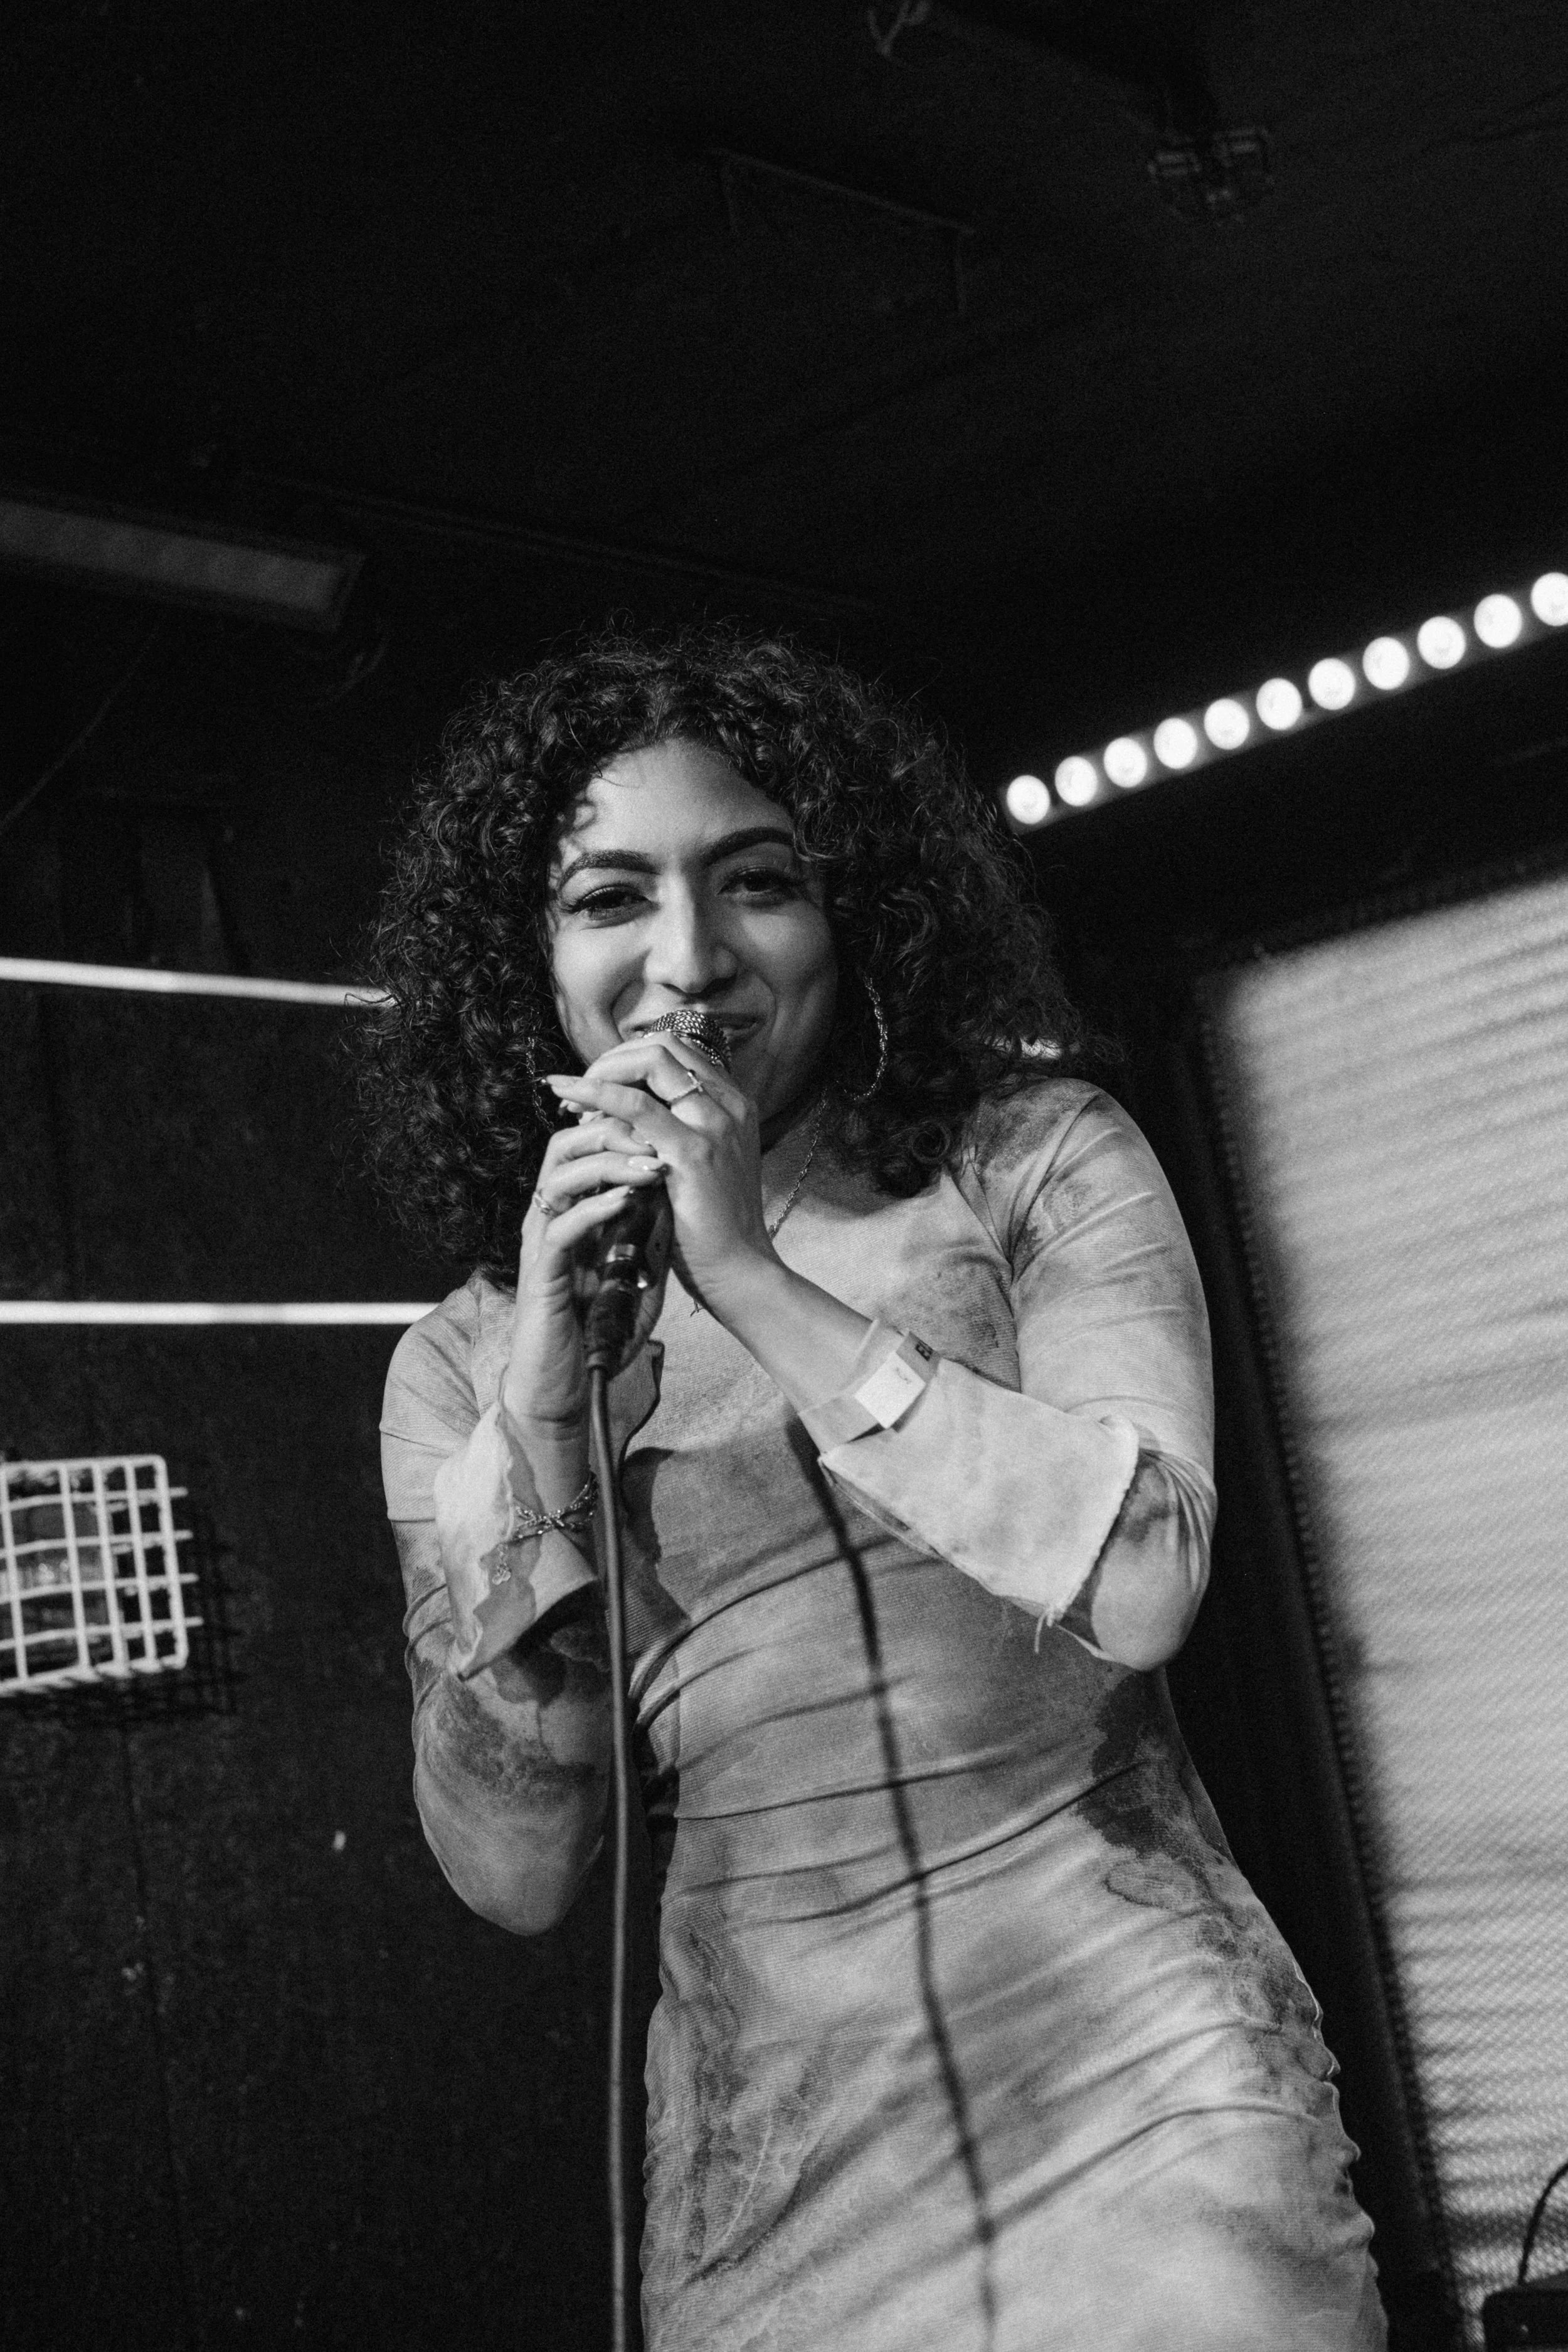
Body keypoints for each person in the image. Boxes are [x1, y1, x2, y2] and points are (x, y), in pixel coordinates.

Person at [360, 626, 1387, 2352]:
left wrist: (752, 1273)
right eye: (611, 898)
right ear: (521, 961)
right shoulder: (466, 1355)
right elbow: (515, 1869)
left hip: (1138, 2100)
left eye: (756, 882)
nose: (687, 961)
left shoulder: (1032, 1158)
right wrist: (542, 1399)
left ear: (854, 912)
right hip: (774, 2174)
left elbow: (1142, 1575)